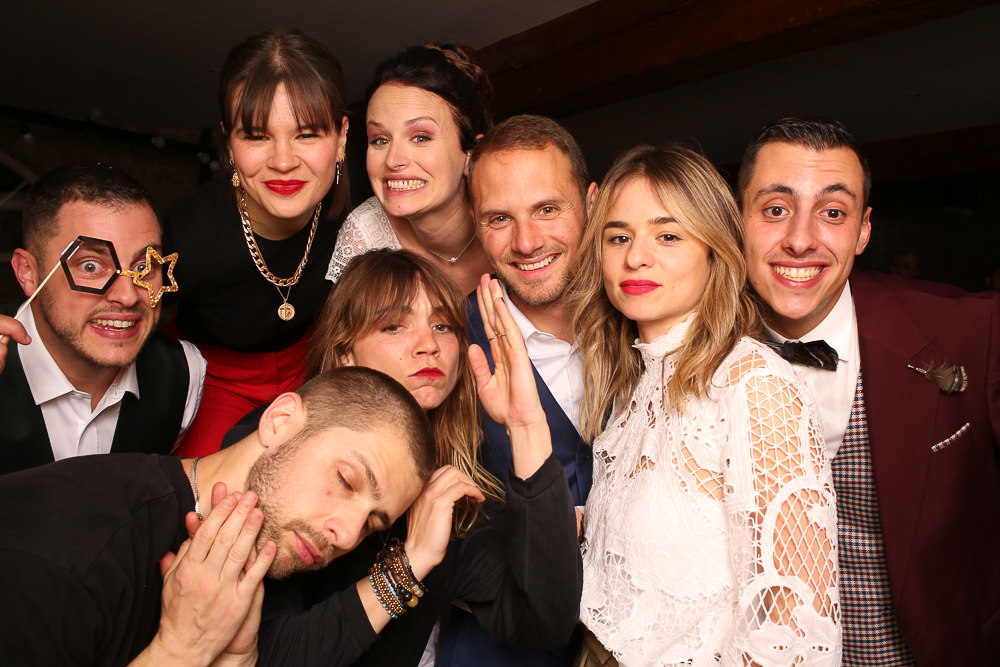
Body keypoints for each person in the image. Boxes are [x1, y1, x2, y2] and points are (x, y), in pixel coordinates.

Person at [737, 116, 1000, 665]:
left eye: (833, 213)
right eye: (776, 209)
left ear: (863, 231)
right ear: (738, 220)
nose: (801, 239)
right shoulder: (684, 348)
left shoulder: (970, 330)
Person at [571, 145, 840, 665]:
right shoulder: (634, 383)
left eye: (668, 236)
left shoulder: (752, 383)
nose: (636, 256)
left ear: (714, 249)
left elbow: (794, 630)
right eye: (619, 237)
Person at [0, 367, 437, 665]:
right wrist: (180, 650)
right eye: (346, 479)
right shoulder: (71, 546)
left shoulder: (258, 567)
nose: (347, 535)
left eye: (372, 524)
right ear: (280, 420)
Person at [254, 275, 582, 665]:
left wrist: (526, 427)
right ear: (345, 354)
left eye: (443, 326)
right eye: (394, 326)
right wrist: (409, 564)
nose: (428, 345)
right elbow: (268, 654)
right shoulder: (281, 443)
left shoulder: (448, 498)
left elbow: (543, 624)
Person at [437, 114, 598, 666]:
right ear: (475, 223)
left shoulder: (645, 318)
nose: (527, 243)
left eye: (548, 209)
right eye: (500, 219)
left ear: (591, 203)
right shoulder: (447, 347)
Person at [164, 27, 349, 456]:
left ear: (341, 137)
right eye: (256, 135)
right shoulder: (185, 237)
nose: (283, 161)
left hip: (321, 367)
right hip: (214, 380)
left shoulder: (371, 199)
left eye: (307, 134)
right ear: (229, 142)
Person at [0, 163, 204, 474]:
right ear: (28, 272)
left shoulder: (185, 373)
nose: (128, 296)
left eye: (143, 267)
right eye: (91, 266)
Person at [326, 44, 492, 295]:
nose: (393, 160)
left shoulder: (515, 215)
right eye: (380, 140)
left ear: (472, 153)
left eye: (420, 137)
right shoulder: (366, 234)